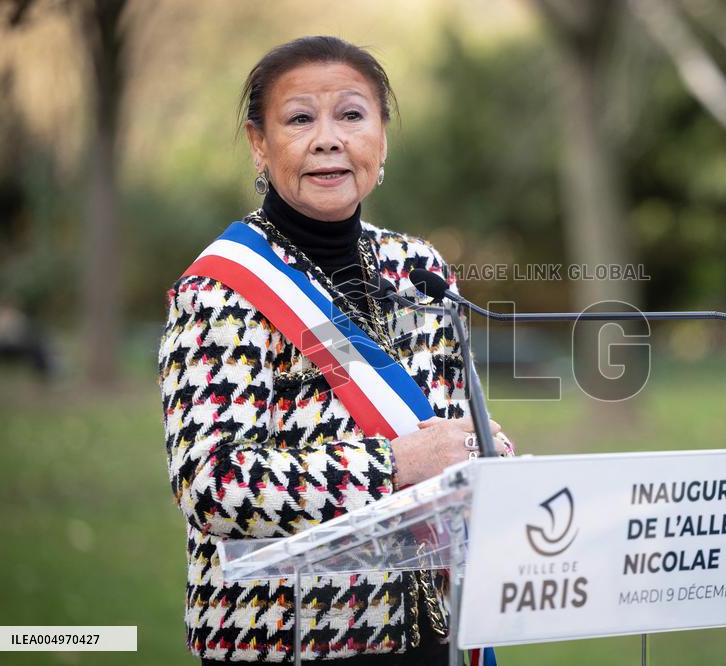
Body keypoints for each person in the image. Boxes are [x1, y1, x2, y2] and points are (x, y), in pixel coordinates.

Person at [157, 36, 512, 664]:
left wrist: (484, 451)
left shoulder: (421, 269)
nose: (328, 138)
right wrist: (394, 463)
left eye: (351, 115)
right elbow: (211, 483)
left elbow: (452, 438)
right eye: (300, 119)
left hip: (439, 633)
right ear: (259, 145)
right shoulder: (219, 287)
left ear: (383, 137)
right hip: (292, 636)